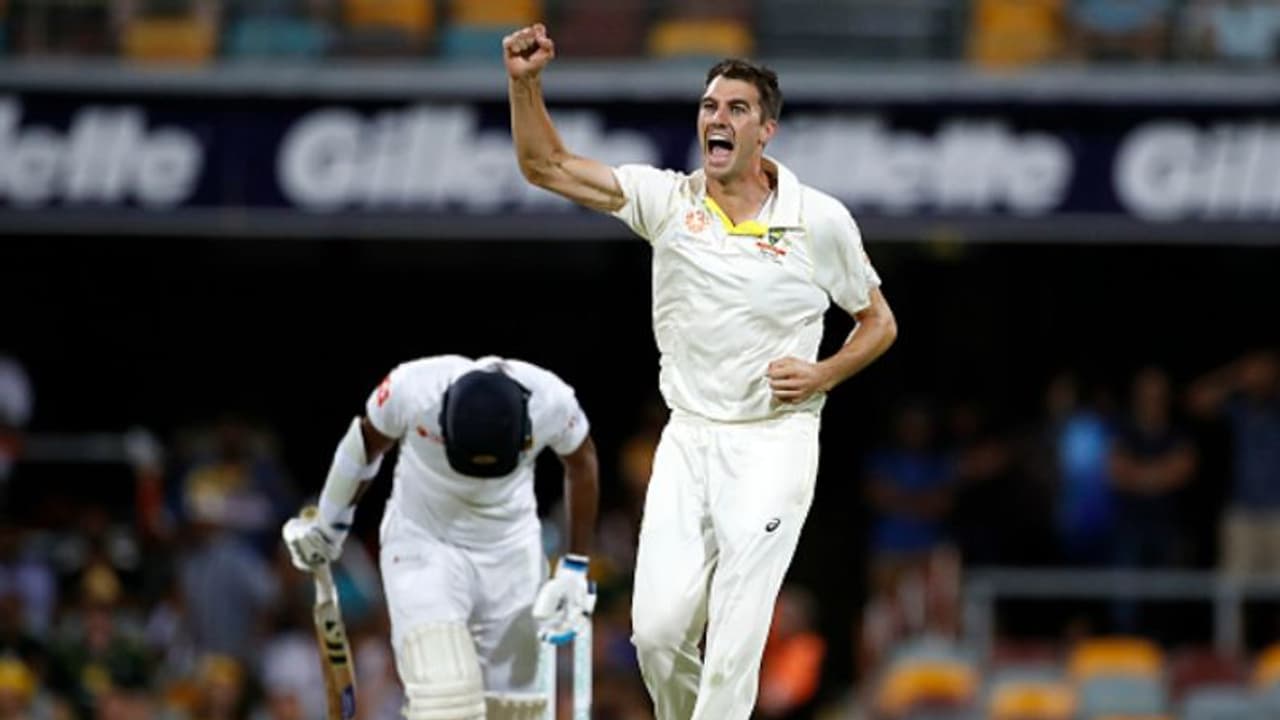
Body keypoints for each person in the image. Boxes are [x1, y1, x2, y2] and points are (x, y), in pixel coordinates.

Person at [505, 25, 897, 720]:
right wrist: (525, 83)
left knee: (735, 636)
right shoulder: (669, 203)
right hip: (688, 440)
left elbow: (879, 322)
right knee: (657, 638)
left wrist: (823, 373)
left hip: (775, 440)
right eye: (710, 106)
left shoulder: (819, 220)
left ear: (766, 130)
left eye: (737, 108)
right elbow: (547, 166)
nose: (718, 118)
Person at [281, 355, 600, 720]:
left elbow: (582, 464)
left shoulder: (552, 401)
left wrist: (575, 567)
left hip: (511, 551)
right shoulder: (412, 390)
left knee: (515, 710)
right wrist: (329, 525)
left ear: (525, 433)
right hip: (425, 542)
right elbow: (363, 446)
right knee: (445, 700)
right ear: (443, 423)